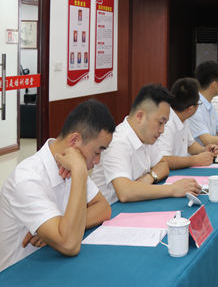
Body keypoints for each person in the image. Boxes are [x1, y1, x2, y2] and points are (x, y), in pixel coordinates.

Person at [0, 100, 115, 272]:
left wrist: (61, 227)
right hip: (20, 274)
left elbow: (103, 208)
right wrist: (63, 231)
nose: (97, 161)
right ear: (75, 140)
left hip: (51, 265)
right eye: (97, 152)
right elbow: (69, 245)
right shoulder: (27, 179)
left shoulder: (72, 163)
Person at [91, 84, 202, 204]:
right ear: (140, 116)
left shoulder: (146, 136)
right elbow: (125, 193)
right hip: (113, 210)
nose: (162, 130)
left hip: (135, 203)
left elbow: (163, 165)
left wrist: (150, 177)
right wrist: (172, 189)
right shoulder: (117, 142)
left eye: (165, 124)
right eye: (160, 123)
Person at [155, 77, 218, 169]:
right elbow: (164, 160)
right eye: (198, 103)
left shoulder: (183, 118)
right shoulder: (166, 124)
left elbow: (190, 145)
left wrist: (204, 150)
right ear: (190, 109)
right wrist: (195, 160)